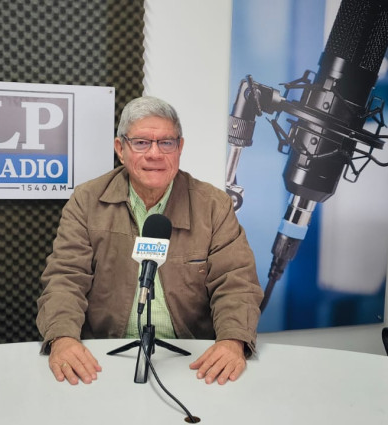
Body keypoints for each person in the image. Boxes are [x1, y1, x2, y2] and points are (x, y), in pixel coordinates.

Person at [36, 96, 263, 386]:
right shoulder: (87, 201)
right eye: (141, 143)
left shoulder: (213, 205)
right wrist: (63, 338)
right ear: (120, 149)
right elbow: (65, 277)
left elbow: (236, 282)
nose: (155, 154)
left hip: (191, 360)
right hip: (105, 358)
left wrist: (232, 341)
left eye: (166, 143)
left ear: (180, 148)